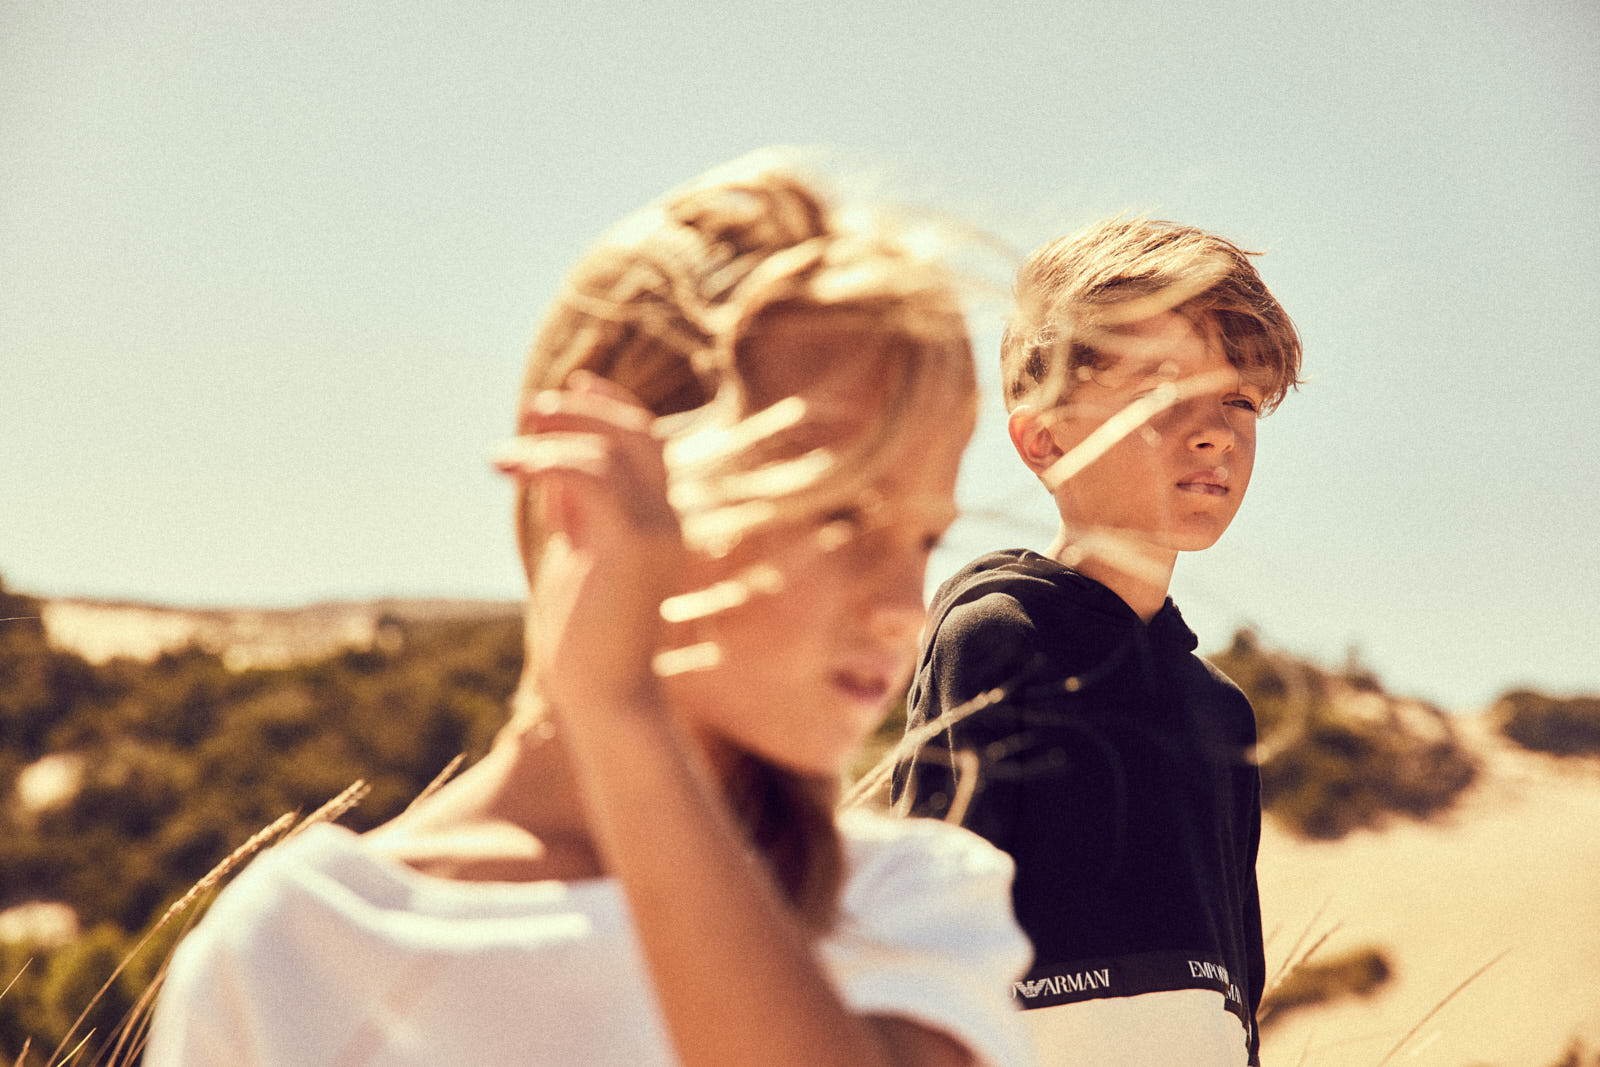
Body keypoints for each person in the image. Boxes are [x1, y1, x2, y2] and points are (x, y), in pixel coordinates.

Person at [145, 152, 1036, 1067]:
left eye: (927, 538)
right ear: (595, 488)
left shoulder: (907, 900)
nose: (903, 609)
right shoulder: (298, 941)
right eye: (840, 514)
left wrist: (621, 719)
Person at [890, 216, 1302, 1066]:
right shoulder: (996, 637)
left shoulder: (1220, 712)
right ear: (1045, 438)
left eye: (1239, 399)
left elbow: (1239, 998)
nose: (1216, 431)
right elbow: (923, 949)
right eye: (1162, 389)